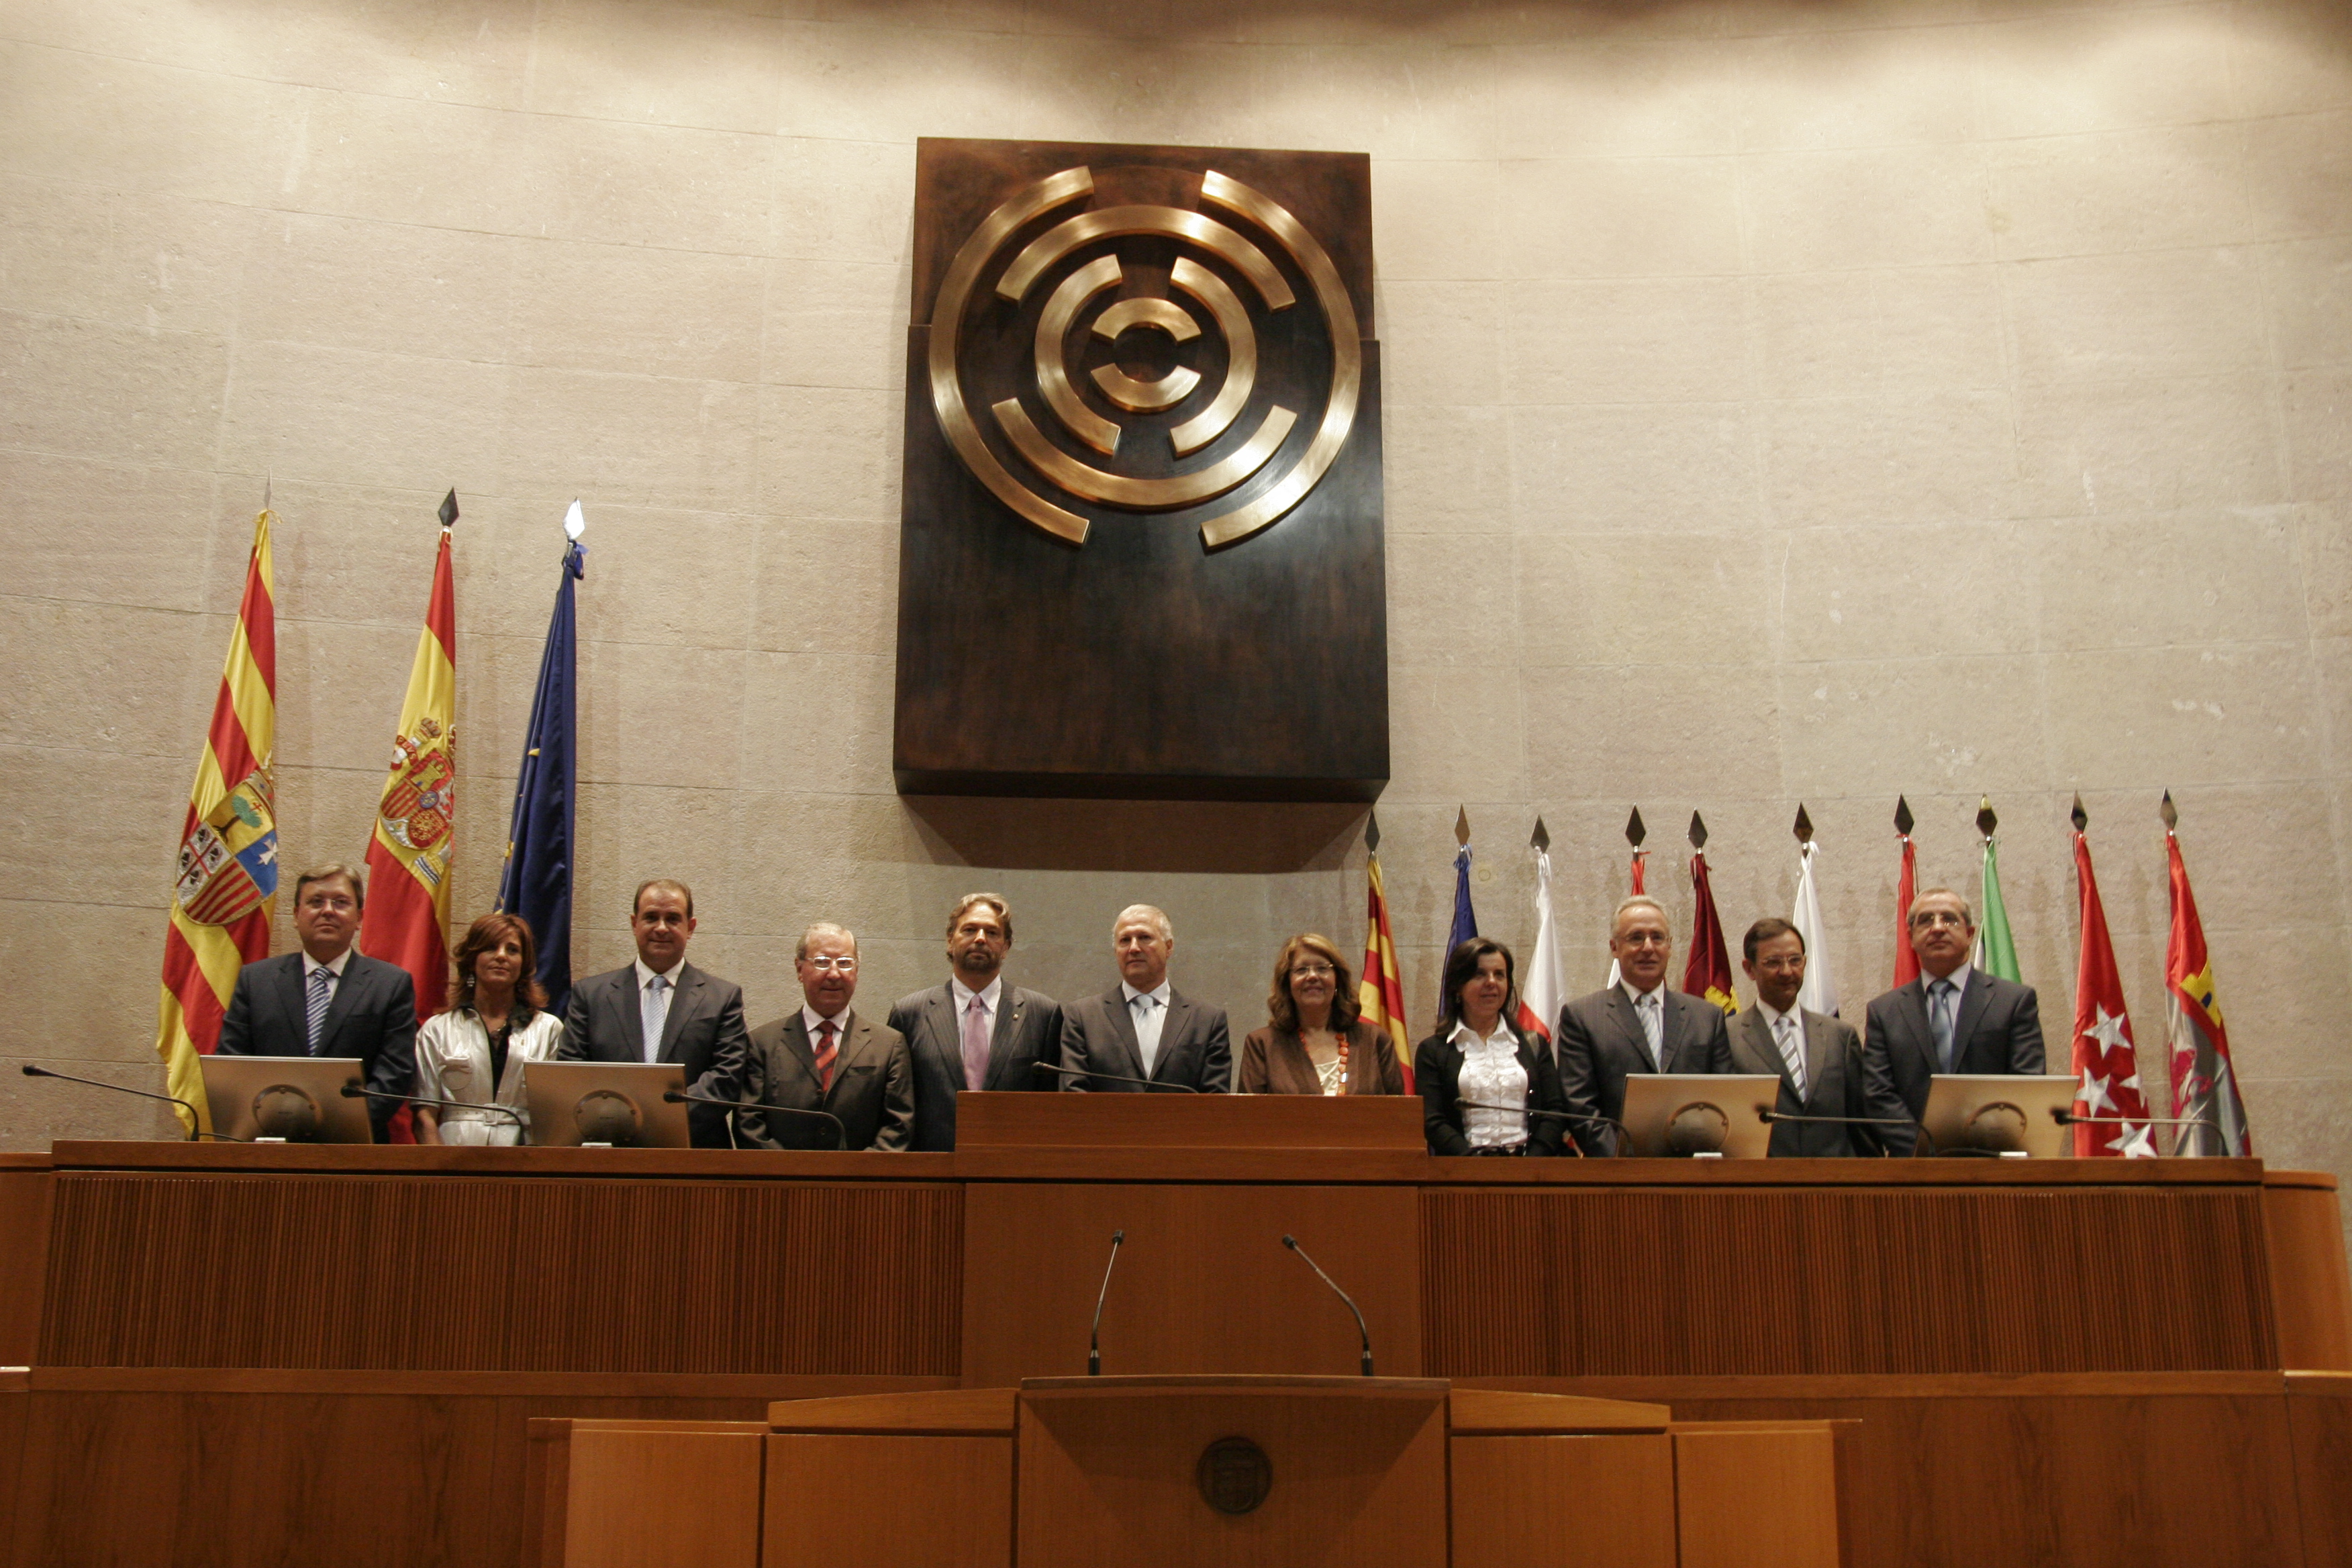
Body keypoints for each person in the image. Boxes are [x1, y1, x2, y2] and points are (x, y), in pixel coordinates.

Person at [217, 864, 416, 1142]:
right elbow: (232, 1063)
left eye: (341, 902)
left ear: (359, 918)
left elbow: (395, 1073)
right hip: (266, 1141)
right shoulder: (256, 980)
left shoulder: (390, 984)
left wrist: (338, 1127)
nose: (328, 911)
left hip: (355, 1146)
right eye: (316, 902)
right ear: (296, 915)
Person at [558, 879, 750, 1148]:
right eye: (651, 917)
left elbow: (726, 1078)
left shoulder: (722, 998)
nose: (661, 928)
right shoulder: (590, 996)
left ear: (690, 927)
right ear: (634, 924)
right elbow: (571, 1071)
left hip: (695, 1153)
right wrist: (622, 1117)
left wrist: (655, 1117)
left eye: (672, 918)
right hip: (609, 1148)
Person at [1862, 887, 2047, 1156]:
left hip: (1995, 1159)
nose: (1938, 928)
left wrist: (1984, 1144)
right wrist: (1924, 1149)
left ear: (1970, 934)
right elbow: (1878, 1093)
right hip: (1914, 1164)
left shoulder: (2013, 1002)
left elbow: (2027, 1082)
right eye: (1926, 920)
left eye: (1949, 919)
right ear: (1910, 937)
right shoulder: (1884, 1011)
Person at [1554, 896, 1734, 1155]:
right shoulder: (1583, 1017)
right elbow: (1581, 1106)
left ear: (1669, 946)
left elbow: (1723, 1098)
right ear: (1614, 947)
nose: (1648, 947)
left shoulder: (1707, 1017)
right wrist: (1625, 1163)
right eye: (1636, 938)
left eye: (1657, 938)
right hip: (1618, 1171)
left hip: (1693, 1169)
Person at [887, 893, 1063, 1150]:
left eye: (992, 933)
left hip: (1013, 1163)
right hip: (932, 1164)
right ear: (950, 940)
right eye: (969, 930)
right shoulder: (910, 1013)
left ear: (1006, 946)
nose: (980, 939)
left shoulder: (1042, 1014)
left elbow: (1051, 1106)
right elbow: (896, 1105)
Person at [739, 922, 913, 1151]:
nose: (834, 974)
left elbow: (898, 1126)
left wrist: (855, 1172)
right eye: (822, 962)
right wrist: (791, 1171)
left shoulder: (888, 1046)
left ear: (857, 971)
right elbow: (749, 1123)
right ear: (799, 969)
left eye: (845, 963)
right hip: (780, 1173)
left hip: (862, 1173)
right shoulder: (762, 1043)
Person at [1728, 918, 1877, 1158]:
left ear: (1805, 963)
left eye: (1795, 960)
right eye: (1773, 962)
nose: (1787, 971)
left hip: (1834, 1176)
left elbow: (1862, 1126)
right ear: (1749, 969)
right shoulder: (1727, 1037)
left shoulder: (1840, 1036)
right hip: (1762, 1176)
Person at [412, 912, 565, 1146]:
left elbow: (556, 1114)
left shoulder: (549, 1029)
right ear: (472, 960)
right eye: (491, 948)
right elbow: (425, 1116)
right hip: (453, 1155)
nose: (501, 956)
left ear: (523, 964)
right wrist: (437, 1166)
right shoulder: (437, 1030)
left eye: (512, 950)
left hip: (526, 1155)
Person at [1414, 937, 1567, 1155]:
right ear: (1458, 986)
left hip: (1531, 1167)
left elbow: (1554, 1111)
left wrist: (1532, 1163)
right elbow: (1432, 1120)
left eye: (1499, 975)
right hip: (1462, 1170)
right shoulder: (1433, 1051)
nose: (1491, 982)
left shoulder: (1534, 1045)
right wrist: (1474, 1165)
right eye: (1480, 974)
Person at [1057, 905, 1230, 1093]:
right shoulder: (1084, 1017)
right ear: (1116, 951)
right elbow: (1074, 1095)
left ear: (1169, 947)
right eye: (1125, 940)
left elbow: (1215, 1100)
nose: (1134, 948)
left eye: (1145, 937)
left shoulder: (1207, 1020)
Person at [1238, 933, 1405, 1096]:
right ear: (1287, 983)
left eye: (1322, 968)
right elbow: (1248, 1113)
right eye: (1301, 970)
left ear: (1338, 979)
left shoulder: (1375, 1040)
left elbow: (1399, 1110)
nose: (1312, 976)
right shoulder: (1262, 1044)